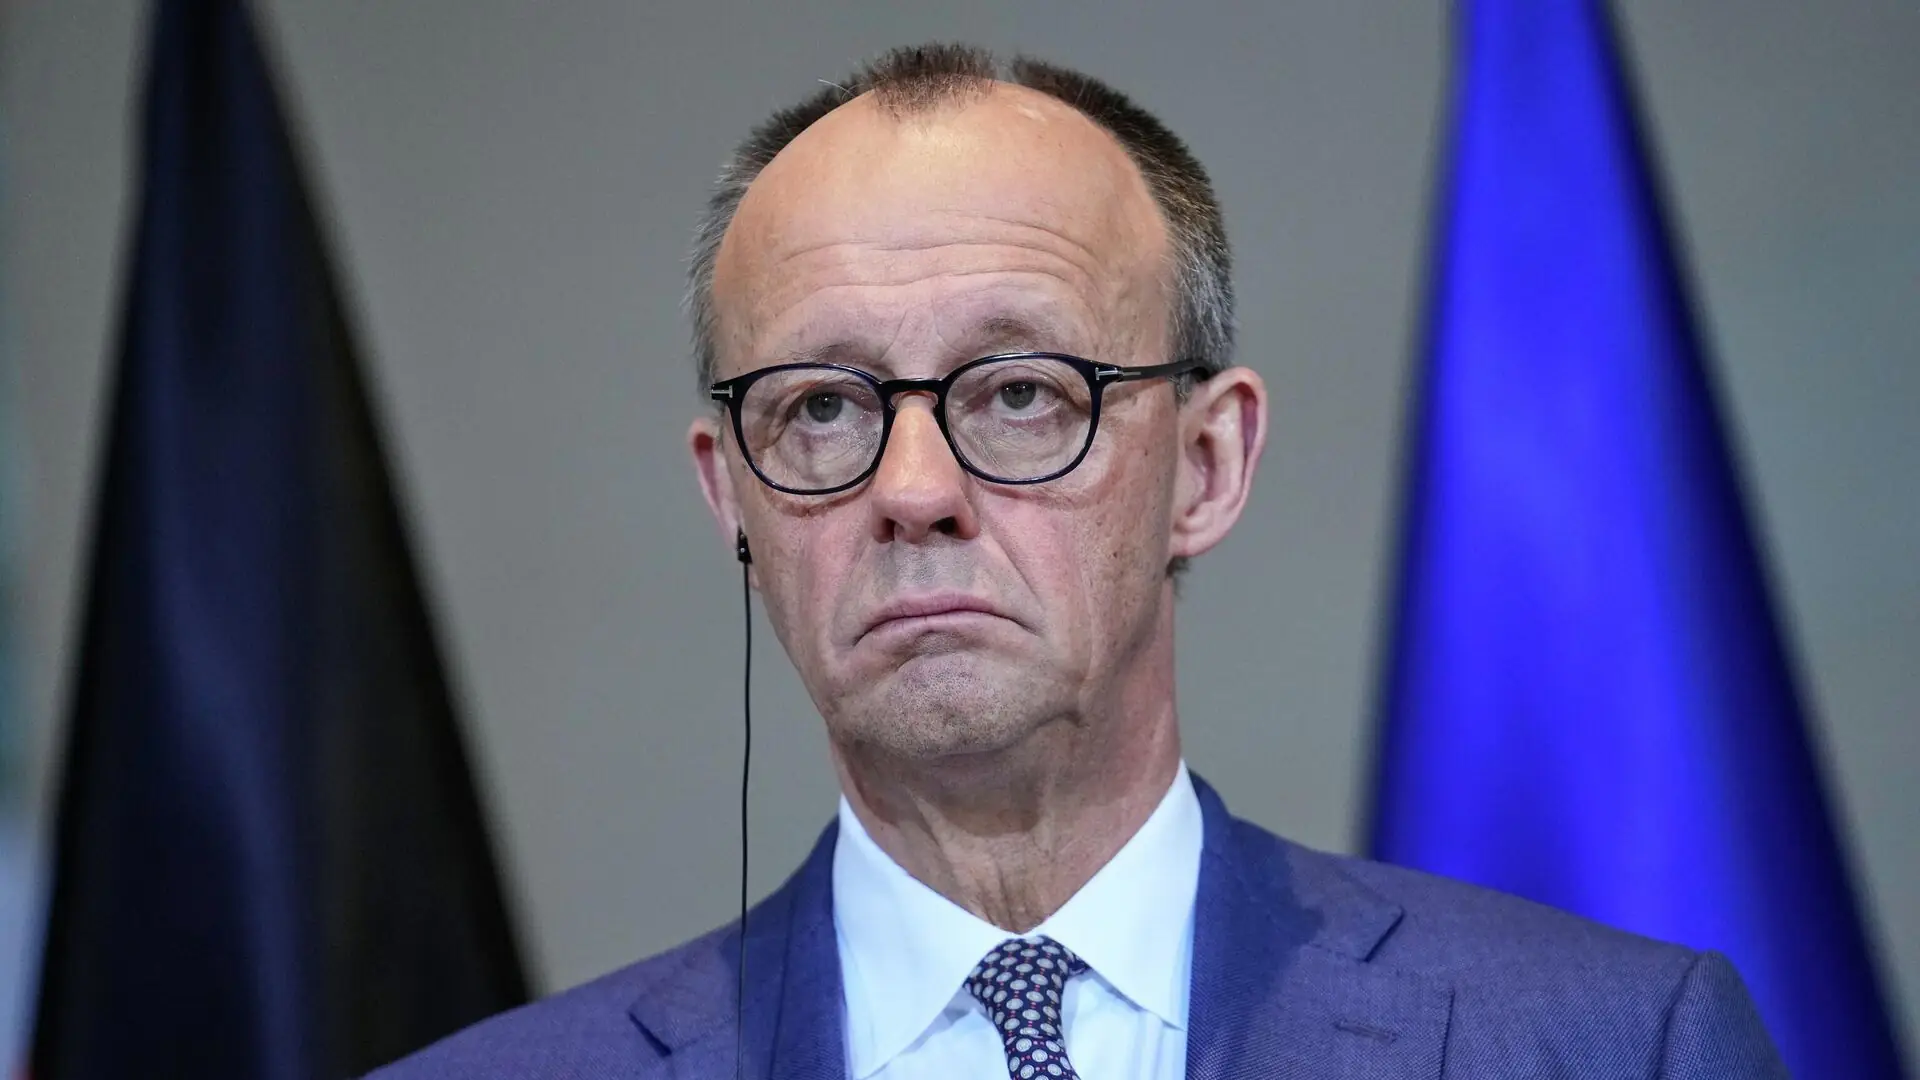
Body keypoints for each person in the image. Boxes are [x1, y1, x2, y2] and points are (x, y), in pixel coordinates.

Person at [372, 43, 1786, 1080]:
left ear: (1207, 466)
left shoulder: (1612, 1048)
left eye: (1020, 393)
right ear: (731, 497)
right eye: (821, 408)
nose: (913, 492)